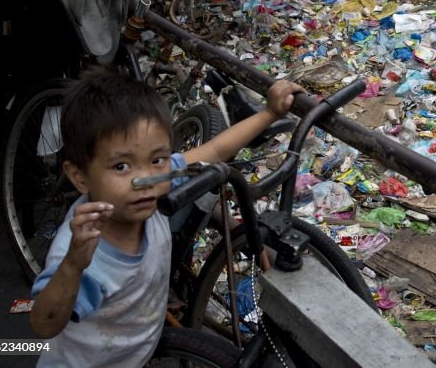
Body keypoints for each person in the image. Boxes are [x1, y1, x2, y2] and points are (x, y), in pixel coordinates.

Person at [30, 68, 305, 367]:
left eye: (157, 159)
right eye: (121, 167)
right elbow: (45, 324)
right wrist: (72, 265)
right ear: (80, 177)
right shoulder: (84, 251)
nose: (146, 179)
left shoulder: (157, 182)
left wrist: (269, 112)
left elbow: (214, 149)